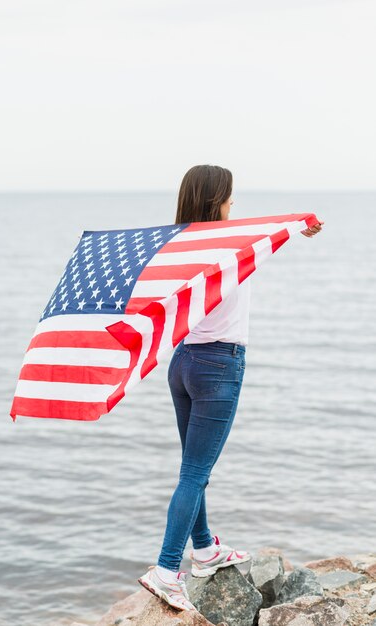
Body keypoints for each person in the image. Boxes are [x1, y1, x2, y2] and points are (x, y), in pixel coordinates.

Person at [138, 164, 324, 611]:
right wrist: (303, 226)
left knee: (192, 468)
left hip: (182, 364)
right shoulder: (230, 243)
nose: (233, 203)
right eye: (229, 195)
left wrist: (299, 229)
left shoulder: (174, 246)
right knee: (194, 474)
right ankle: (166, 569)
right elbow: (268, 235)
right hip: (219, 366)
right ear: (214, 199)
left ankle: (203, 549)